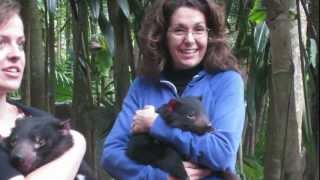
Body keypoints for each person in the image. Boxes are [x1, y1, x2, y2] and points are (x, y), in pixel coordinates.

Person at [101, 0, 245, 179]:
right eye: (179, 30)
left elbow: (222, 154)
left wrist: (156, 125)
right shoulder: (143, 85)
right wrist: (162, 177)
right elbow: (111, 156)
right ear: (162, 36)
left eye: (199, 29)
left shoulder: (227, 81)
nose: (190, 40)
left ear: (210, 35)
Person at [0, 0, 86, 180]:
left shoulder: (37, 118)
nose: (16, 54)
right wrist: (78, 142)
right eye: (1, 42)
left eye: (21, 44)